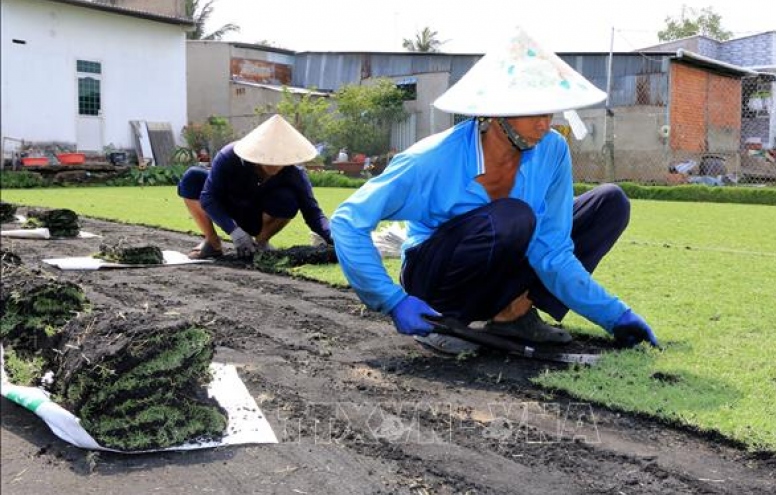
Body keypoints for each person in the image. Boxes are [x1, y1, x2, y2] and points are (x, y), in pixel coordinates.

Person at [330, 28, 658, 353]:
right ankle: (449, 321)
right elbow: (348, 221)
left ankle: (514, 315)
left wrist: (616, 316)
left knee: (608, 202)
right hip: (435, 276)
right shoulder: (433, 160)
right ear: (495, 111)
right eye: (532, 112)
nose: (544, 124)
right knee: (513, 216)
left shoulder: (552, 151)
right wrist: (391, 300)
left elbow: (552, 249)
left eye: (549, 111)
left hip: (499, 264)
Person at [178, 114, 333, 259]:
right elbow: (208, 197)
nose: (275, 162)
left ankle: (260, 243)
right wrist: (234, 231)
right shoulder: (229, 157)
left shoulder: (295, 173)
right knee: (192, 177)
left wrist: (336, 238)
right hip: (230, 204)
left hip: (259, 215)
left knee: (289, 198)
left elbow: (313, 213)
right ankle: (212, 242)